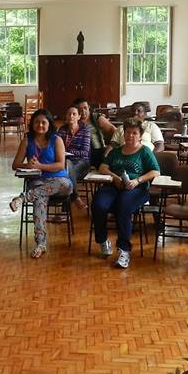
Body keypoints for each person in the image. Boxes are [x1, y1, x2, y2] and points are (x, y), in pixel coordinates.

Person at [92, 117, 160, 269]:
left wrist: (137, 180)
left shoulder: (145, 151)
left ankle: (124, 250)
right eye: (128, 132)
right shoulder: (116, 151)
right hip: (115, 185)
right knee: (98, 204)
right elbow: (103, 167)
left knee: (123, 207)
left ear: (140, 135)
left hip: (137, 188)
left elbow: (155, 171)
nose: (130, 136)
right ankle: (102, 240)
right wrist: (114, 177)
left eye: (134, 133)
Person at [9, 108, 73, 259]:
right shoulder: (27, 140)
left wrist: (40, 166)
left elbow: (60, 165)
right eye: (37, 122)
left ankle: (23, 198)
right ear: (32, 124)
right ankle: (41, 243)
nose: (40, 125)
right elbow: (15, 164)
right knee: (39, 201)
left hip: (59, 181)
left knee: (65, 184)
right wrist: (28, 165)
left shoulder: (57, 140)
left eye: (44, 122)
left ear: (49, 124)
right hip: (38, 181)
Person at [57, 104, 91, 210]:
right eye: (69, 114)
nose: (71, 116)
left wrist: (68, 152)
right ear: (66, 116)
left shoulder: (85, 130)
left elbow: (85, 152)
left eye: (74, 114)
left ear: (79, 117)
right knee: (66, 167)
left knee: (65, 172)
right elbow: (55, 147)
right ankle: (75, 198)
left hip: (82, 162)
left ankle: (66, 207)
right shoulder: (62, 130)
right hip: (65, 161)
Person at [74, 97, 115, 168]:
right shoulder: (74, 120)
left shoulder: (96, 117)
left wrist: (111, 145)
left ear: (89, 107)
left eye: (85, 108)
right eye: (79, 109)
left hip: (97, 152)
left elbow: (115, 131)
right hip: (80, 154)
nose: (83, 111)